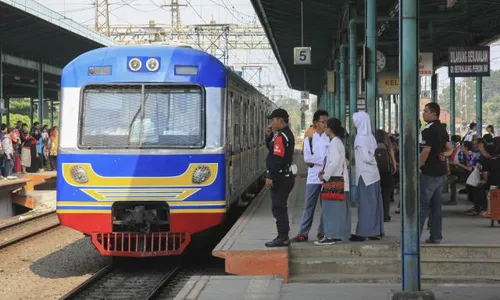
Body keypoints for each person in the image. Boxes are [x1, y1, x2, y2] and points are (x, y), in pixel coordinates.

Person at [291, 110, 329, 242]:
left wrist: (317, 159)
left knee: (326, 207)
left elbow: (329, 158)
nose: (325, 124)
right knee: (308, 206)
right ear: (315, 123)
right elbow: (307, 158)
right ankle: (303, 232)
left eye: (326, 122)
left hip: (327, 177)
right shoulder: (309, 140)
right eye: (323, 122)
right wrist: (324, 160)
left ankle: (323, 232)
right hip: (313, 178)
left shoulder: (329, 138)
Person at [419, 103, 453, 244]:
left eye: (426, 111)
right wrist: (444, 154)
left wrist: (418, 166)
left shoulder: (428, 130)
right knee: (436, 206)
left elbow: (426, 151)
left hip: (429, 172)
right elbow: (450, 149)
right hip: (440, 172)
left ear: (434, 114)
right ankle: (436, 235)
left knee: (421, 205)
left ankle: (412, 237)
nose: (423, 113)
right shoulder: (442, 128)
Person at [350, 112, 385, 242]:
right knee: (375, 204)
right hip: (374, 175)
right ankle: (376, 230)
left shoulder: (360, 138)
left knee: (365, 205)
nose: (355, 123)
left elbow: (366, 157)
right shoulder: (370, 136)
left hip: (364, 175)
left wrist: (372, 159)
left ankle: (363, 232)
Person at [316, 118, 351, 245]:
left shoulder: (335, 143)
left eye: (325, 126)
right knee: (336, 211)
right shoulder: (336, 142)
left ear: (330, 128)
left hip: (334, 181)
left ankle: (331, 236)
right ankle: (336, 235)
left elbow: (334, 163)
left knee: (331, 210)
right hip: (338, 181)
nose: (324, 128)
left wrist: (325, 176)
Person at [264, 108, 296, 247]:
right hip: (285, 175)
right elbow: (273, 151)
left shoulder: (281, 137)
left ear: (280, 120)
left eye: (273, 120)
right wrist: (269, 137)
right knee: (280, 206)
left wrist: (270, 176)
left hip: (281, 177)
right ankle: (282, 235)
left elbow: (277, 158)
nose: (272, 123)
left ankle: (282, 237)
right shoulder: (284, 135)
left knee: (278, 207)